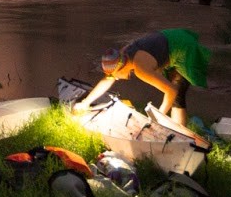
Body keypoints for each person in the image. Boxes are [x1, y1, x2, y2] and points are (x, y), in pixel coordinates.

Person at [72, 28, 210, 126]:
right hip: (172, 39)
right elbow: (107, 79)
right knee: (174, 89)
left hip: (184, 48)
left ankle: (180, 132)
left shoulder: (141, 68)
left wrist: (157, 118)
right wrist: (86, 102)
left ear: (121, 66)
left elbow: (171, 91)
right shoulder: (124, 54)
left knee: (178, 93)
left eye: (115, 75)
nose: (116, 78)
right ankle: (175, 127)